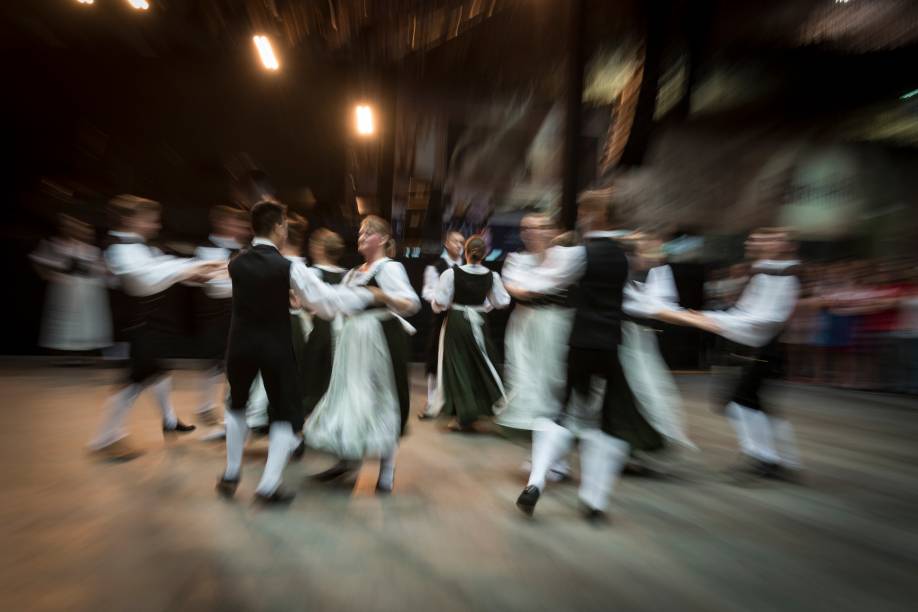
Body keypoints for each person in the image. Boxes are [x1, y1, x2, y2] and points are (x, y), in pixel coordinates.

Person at [508, 187, 662, 522]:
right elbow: (637, 302)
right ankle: (594, 500)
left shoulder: (580, 255)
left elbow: (546, 283)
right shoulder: (623, 257)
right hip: (611, 345)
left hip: (580, 342)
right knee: (603, 421)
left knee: (562, 410)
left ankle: (536, 482)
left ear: (591, 216)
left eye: (581, 212)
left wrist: (521, 286)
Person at [216, 202, 387, 505]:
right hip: (275, 346)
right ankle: (268, 486)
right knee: (287, 415)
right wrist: (365, 295)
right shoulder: (289, 267)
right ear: (279, 227)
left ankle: (231, 473)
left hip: (239, 345)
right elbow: (325, 302)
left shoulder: (236, 262)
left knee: (237, 404)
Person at [655, 227, 803, 481]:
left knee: (741, 401)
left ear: (781, 245)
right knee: (749, 403)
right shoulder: (766, 271)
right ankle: (774, 459)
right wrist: (711, 319)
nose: (752, 242)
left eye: (765, 239)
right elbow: (749, 312)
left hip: (765, 347)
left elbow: (768, 318)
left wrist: (713, 321)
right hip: (756, 344)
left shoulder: (782, 274)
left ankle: (767, 458)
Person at [89, 196, 224, 460]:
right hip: (133, 325)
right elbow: (145, 279)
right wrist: (190, 269)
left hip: (148, 322)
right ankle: (103, 439)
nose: (155, 224)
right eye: (149, 219)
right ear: (129, 220)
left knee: (155, 370)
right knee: (137, 376)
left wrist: (193, 271)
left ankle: (168, 420)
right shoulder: (117, 247)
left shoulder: (138, 246)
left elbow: (158, 267)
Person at [304, 215, 421, 493]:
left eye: (366, 233)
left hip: (379, 338)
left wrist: (384, 297)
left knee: (382, 400)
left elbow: (412, 304)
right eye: (360, 233)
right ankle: (348, 461)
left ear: (380, 238)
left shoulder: (389, 268)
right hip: (353, 340)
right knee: (351, 398)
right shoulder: (354, 272)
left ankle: (387, 471)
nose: (360, 237)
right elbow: (339, 303)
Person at [430, 235, 511, 431]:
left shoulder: (451, 274)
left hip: (457, 321)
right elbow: (502, 301)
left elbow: (440, 301)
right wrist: (483, 307)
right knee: (479, 364)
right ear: (485, 254)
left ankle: (463, 415)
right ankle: (477, 410)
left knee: (458, 366)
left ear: (465, 252)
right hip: (480, 322)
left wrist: (442, 306)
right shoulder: (492, 276)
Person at [191, 205, 250, 426]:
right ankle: (207, 406)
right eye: (238, 223)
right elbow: (214, 286)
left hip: (237, 311)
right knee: (216, 361)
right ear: (223, 224)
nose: (243, 228)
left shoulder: (243, 249)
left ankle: (216, 406)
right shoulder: (207, 249)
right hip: (216, 313)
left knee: (229, 362)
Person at [30, 214, 112, 361]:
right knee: (65, 319)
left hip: (89, 288)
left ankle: (85, 351)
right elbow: (39, 262)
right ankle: (64, 351)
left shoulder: (91, 249)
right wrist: (50, 275)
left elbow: (102, 269)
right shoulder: (55, 244)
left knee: (88, 319)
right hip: (66, 288)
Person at [298, 228, 347, 416]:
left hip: (318, 328)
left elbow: (303, 302)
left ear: (319, 249)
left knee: (313, 370)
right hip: (341, 329)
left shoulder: (312, 273)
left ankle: (311, 409)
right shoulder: (346, 274)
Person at [418, 230, 465, 419]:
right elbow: (427, 292)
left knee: (460, 359)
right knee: (435, 359)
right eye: (456, 241)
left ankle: (457, 402)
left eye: (462, 242)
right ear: (447, 243)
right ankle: (432, 403)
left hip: (463, 320)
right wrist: (442, 302)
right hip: (442, 318)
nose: (460, 245)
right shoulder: (435, 267)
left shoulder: (469, 265)